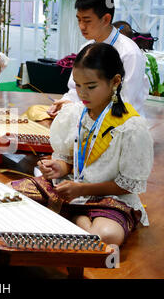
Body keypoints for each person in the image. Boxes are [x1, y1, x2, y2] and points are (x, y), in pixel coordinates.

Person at [34, 43, 153, 246]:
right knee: (16, 195)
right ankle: (73, 215)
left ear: (115, 81)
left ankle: (66, 213)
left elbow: (126, 185)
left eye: (90, 87)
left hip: (111, 197)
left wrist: (81, 190)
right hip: (72, 188)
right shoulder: (75, 114)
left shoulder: (131, 127)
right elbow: (70, 161)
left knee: (106, 236)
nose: (82, 94)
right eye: (78, 86)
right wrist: (58, 167)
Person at [46, 0, 149, 119]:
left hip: (122, 125)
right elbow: (75, 89)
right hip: (89, 120)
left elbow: (125, 101)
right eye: (79, 20)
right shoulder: (87, 48)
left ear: (106, 19)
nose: (82, 26)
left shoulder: (129, 53)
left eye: (87, 20)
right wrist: (65, 103)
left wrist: (78, 108)